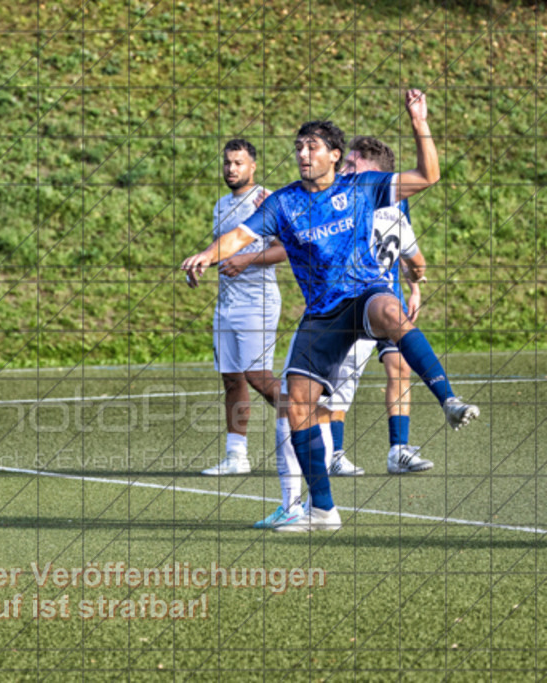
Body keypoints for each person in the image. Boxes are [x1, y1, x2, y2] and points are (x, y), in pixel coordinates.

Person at [182, 90, 479, 532]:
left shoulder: (361, 187)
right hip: (321, 313)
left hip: (363, 293)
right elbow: (241, 236)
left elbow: (428, 175)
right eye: (299, 147)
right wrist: (208, 254)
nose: (303, 154)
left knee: (390, 312)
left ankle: (449, 399)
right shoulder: (283, 203)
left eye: (313, 147)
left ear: (335, 156)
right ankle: (322, 509)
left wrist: (420, 122)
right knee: (297, 403)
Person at [321, 136, 433, 478]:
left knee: (400, 366)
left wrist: (413, 289)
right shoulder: (337, 195)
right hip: (351, 300)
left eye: (353, 166)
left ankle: (398, 450)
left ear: (377, 174)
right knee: (341, 377)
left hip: (389, 295)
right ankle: (334, 453)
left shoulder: (395, 197)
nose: (345, 170)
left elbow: (403, 243)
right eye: (347, 164)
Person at [198, 139, 285, 476]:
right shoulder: (221, 204)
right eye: (227, 163)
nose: (231, 169)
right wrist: (202, 262)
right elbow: (223, 246)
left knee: (259, 378)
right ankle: (236, 457)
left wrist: (246, 260)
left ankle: (312, 426)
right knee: (232, 380)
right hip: (227, 304)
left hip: (258, 303)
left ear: (253, 167)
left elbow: (285, 251)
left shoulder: (267, 200)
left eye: (238, 163)